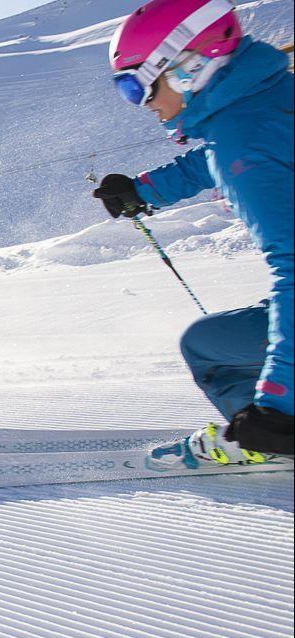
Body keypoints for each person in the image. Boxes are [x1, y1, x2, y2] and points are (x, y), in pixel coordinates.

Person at [92, 0, 294, 467]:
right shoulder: (269, 97)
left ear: (187, 65)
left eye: (135, 86)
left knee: (207, 347)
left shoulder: (244, 140)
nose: (144, 104)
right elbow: (220, 158)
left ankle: (267, 444)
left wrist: (278, 410)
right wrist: (144, 191)